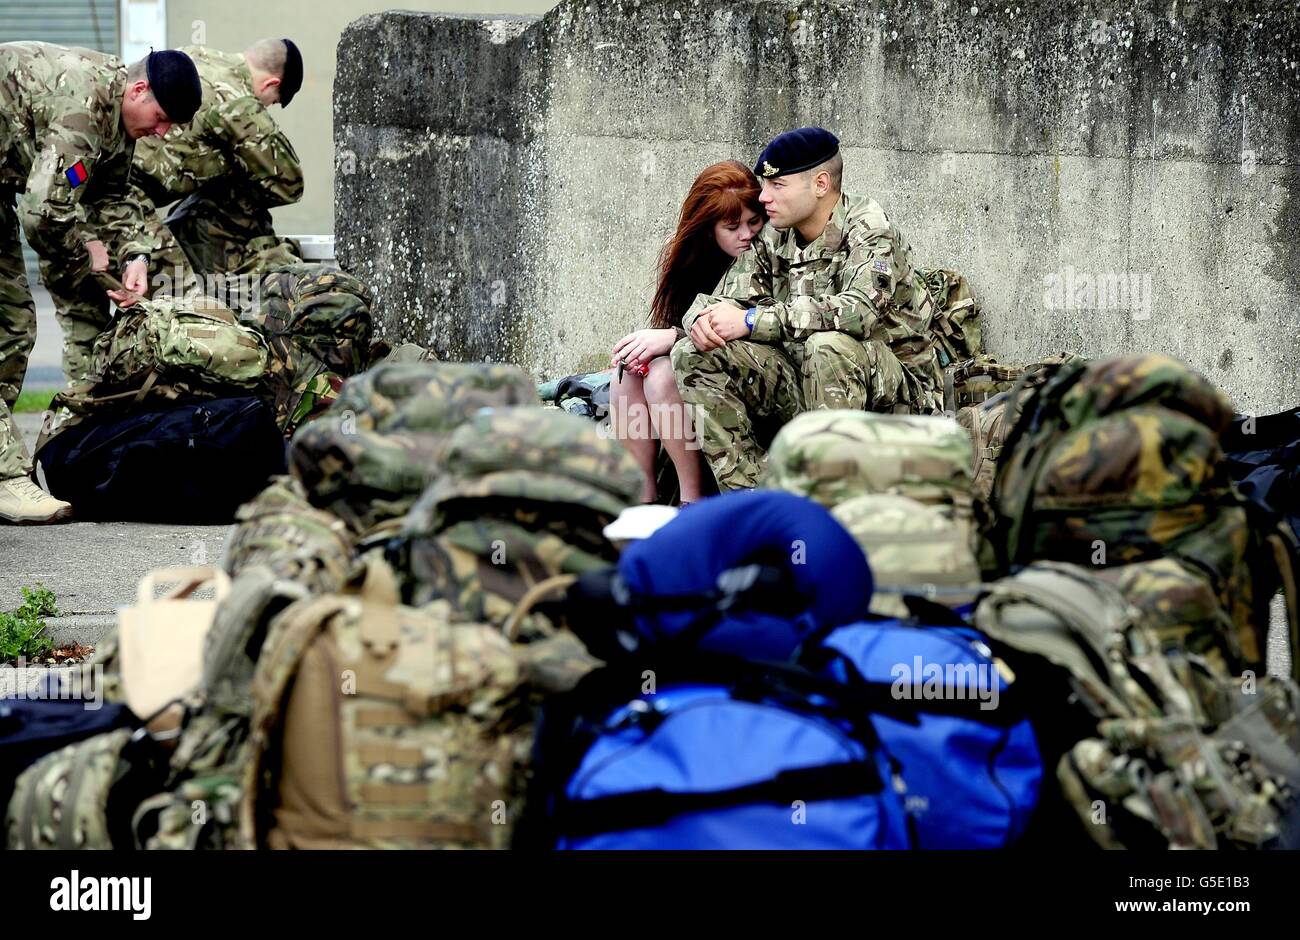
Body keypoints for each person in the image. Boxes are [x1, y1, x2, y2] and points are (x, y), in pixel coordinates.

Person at [671, 127, 943, 491]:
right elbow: (722, 301)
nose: (763, 197)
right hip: (806, 384)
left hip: (894, 397)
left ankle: (824, 508)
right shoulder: (776, 235)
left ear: (820, 184)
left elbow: (858, 313)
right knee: (692, 352)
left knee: (827, 346)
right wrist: (698, 321)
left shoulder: (869, 228)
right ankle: (750, 502)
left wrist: (752, 321)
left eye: (777, 186)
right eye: (764, 185)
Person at [0, 43, 201, 524]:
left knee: (13, 325)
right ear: (138, 88)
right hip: (26, 201)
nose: (163, 131)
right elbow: (44, 215)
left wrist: (133, 256)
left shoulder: (118, 114)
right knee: (7, 322)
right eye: (162, 117)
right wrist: (90, 250)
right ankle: (4, 478)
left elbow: (110, 193)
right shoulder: (85, 100)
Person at [100, 38, 305, 304]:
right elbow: (289, 185)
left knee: (87, 320)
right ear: (271, 84)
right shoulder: (237, 101)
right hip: (124, 202)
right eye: (272, 102)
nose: (266, 108)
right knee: (181, 301)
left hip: (85, 186)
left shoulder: (194, 56)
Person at [609, 160, 765, 504]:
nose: (747, 234)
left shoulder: (767, 258)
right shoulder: (691, 262)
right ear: (709, 229)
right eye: (733, 226)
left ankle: (690, 501)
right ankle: (643, 499)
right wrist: (646, 347)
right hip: (696, 374)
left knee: (662, 376)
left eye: (754, 222)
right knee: (629, 374)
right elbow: (678, 324)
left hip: (740, 386)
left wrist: (672, 338)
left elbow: (754, 334)